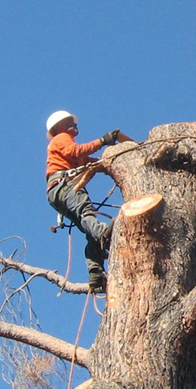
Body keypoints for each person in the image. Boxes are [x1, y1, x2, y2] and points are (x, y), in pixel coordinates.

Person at [44, 110, 120, 292]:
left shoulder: (65, 149)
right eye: (70, 122)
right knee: (87, 213)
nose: (75, 125)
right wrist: (103, 141)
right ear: (59, 127)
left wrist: (110, 162)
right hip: (65, 185)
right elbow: (76, 151)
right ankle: (104, 234)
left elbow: (87, 160)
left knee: (88, 228)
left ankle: (95, 271)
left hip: (57, 191)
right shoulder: (61, 138)